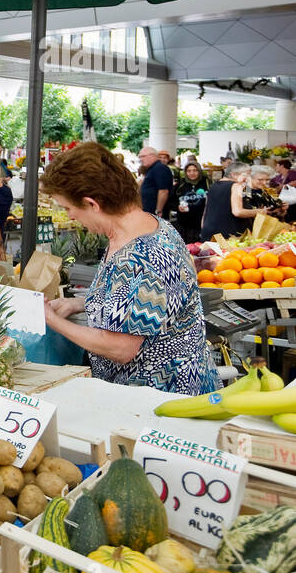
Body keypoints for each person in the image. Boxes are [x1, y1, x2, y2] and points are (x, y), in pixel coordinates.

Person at [41, 143, 216, 396]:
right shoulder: (145, 227)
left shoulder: (145, 257)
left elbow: (121, 348)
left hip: (162, 398)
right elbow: (133, 302)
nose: (70, 217)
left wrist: (53, 321)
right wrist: (79, 303)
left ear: (92, 203)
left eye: (68, 208)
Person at [199, 162, 271, 241]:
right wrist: (259, 211)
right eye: (246, 174)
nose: (248, 178)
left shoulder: (213, 186)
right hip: (229, 235)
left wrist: (204, 229)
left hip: (210, 233)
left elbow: (206, 211)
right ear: (234, 175)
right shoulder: (236, 186)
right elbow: (237, 212)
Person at [173, 161, 210, 244]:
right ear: (185, 172)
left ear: (199, 171)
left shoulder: (207, 184)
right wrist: (177, 207)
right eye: (189, 171)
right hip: (185, 224)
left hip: (202, 223)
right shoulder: (180, 186)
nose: (192, 173)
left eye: (195, 170)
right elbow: (171, 201)